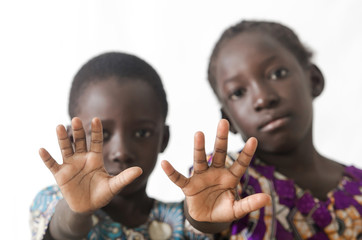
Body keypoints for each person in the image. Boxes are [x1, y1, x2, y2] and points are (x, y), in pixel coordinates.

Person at [162, 20, 362, 239]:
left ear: (313, 80)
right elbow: (205, 218)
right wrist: (203, 219)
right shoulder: (228, 177)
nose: (263, 99)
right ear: (228, 117)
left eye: (277, 74)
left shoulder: (358, 185)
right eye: (238, 93)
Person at [30, 52, 220, 240]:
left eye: (142, 133)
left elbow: (206, 223)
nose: (121, 152)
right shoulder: (54, 202)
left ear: (164, 139)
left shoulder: (181, 222)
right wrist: (76, 211)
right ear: (73, 140)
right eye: (102, 134)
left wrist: (208, 214)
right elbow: (63, 229)